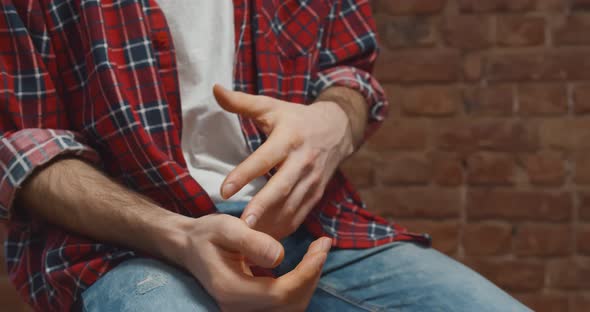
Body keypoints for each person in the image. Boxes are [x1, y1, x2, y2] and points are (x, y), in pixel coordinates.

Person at [0, 0, 530, 311]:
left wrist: (334, 123)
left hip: (318, 231)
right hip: (129, 245)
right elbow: (23, 148)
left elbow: (347, 72)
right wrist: (179, 236)